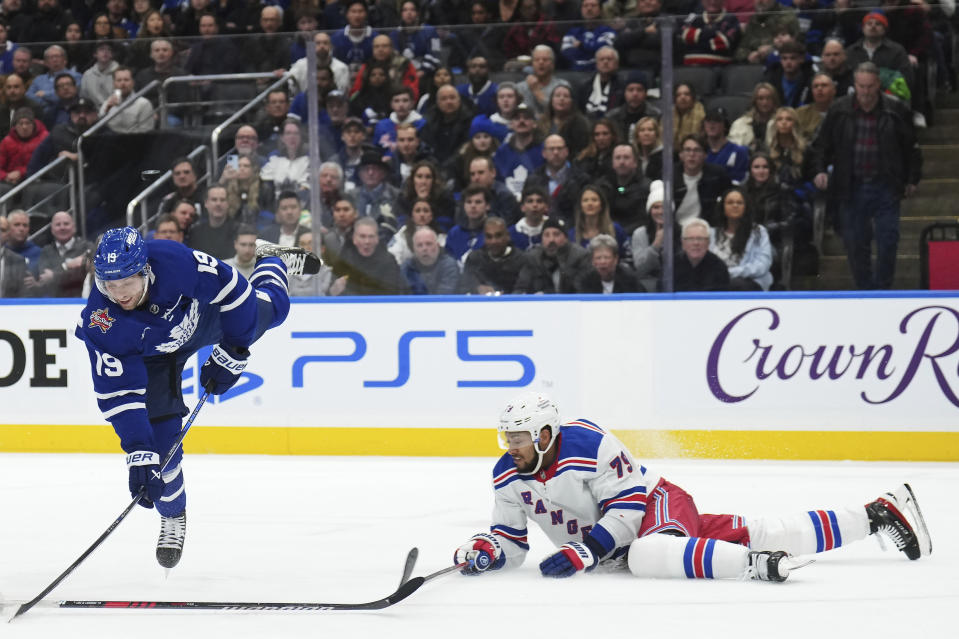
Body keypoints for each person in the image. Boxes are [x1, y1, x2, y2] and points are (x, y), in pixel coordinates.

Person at [453, 391, 931, 582]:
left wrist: (587, 551)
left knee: (645, 555)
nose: (509, 445)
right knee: (758, 529)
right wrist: (486, 549)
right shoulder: (505, 476)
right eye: (507, 437)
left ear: (543, 434)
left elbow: (629, 507)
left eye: (517, 437)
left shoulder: (591, 443)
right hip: (626, 538)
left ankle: (755, 569)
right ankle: (878, 514)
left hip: (658, 503)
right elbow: (513, 543)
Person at [74, 226, 319, 569]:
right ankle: (173, 516)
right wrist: (138, 451)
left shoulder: (176, 263)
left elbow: (234, 292)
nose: (119, 294)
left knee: (273, 310)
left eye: (126, 282)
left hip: (203, 318)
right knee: (161, 452)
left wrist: (235, 348)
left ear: (145, 270)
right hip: (152, 358)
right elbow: (118, 394)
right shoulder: (102, 322)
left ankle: (271, 260)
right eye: (109, 285)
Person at [810, 62, 921, 290]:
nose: (866, 92)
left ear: (878, 84)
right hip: (851, 185)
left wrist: (912, 179)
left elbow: (911, 148)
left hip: (886, 185)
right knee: (854, 243)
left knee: (888, 241)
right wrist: (820, 170)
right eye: (861, 86)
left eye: (870, 86)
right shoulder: (839, 109)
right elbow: (822, 145)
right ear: (854, 85)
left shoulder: (896, 109)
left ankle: (883, 289)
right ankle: (865, 290)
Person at [709, 187, 774, 290]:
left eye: (739, 203)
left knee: (736, 284)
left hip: (750, 281)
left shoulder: (759, 232)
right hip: (718, 282)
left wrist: (730, 273)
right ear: (723, 207)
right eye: (730, 203)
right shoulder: (711, 233)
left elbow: (763, 264)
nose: (735, 206)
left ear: (746, 207)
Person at [329, 216, 409, 295]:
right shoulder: (343, 260)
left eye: (371, 236)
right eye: (362, 236)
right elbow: (328, 295)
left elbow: (393, 293)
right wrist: (333, 291)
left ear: (377, 239)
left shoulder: (389, 261)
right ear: (354, 239)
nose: (367, 241)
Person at [526, 134, 590, 225]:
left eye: (559, 149)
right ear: (544, 153)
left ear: (567, 152)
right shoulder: (533, 180)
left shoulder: (581, 180)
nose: (556, 152)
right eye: (551, 149)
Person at [631, 180, 680, 292]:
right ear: (649, 210)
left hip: (676, 283)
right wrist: (656, 244)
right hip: (646, 286)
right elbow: (639, 269)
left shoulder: (682, 232)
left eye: (664, 207)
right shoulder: (640, 234)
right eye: (656, 207)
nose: (660, 211)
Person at [459, 216, 528, 295]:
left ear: (508, 236)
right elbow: (464, 287)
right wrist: (477, 288)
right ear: (484, 238)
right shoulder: (474, 259)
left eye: (498, 236)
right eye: (489, 237)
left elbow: (522, 290)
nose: (493, 241)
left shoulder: (522, 259)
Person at [674, 134, 732, 226]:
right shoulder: (670, 176)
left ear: (705, 155)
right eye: (687, 150)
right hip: (675, 230)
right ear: (681, 155)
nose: (692, 154)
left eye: (697, 150)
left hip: (706, 229)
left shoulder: (717, 175)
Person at [35, 211, 92, 297]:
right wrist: (68, 266)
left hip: (80, 302)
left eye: (66, 224)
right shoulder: (46, 251)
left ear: (74, 228)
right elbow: (45, 279)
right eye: (58, 224)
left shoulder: (87, 248)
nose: (62, 227)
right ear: (52, 230)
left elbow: (82, 276)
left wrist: (54, 274)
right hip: (53, 304)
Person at [0, 107, 47, 199]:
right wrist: (6, 176)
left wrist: (20, 173)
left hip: (35, 179)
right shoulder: (7, 141)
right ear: (15, 126)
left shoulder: (44, 138)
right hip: (10, 181)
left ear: (33, 124)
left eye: (27, 123)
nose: (24, 127)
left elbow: (44, 163)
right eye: (20, 123)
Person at [260, 119, 310, 204]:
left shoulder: (309, 159)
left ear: (301, 137)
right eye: (288, 133)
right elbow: (266, 183)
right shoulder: (274, 158)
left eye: (296, 133)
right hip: (278, 208)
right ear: (282, 137)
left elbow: (307, 188)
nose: (292, 137)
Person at [672, 217, 730, 291]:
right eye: (690, 239)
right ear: (683, 242)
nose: (696, 243)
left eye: (700, 238)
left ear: (708, 242)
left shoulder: (719, 267)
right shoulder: (671, 265)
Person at [679, 0, 741, 66]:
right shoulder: (693, 17)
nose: (713, 2)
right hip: (689, 67)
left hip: (720, 68)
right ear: (702, 1)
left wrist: (696, 36)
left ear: (723, 1)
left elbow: (723, 43)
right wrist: (713, 33)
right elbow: (682, 35)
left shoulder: (731, 19)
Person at [574, 233, 642, 294]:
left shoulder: (629, 279)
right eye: (598, 258)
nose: (603, 262)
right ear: (592, 261)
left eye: (606, 257)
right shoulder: (585, 280)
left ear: (615, 259)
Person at [401, 226, 460, 295]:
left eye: (429, 244)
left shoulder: (449, 265)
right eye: (419, 245)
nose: (424, 249)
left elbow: (444, 297)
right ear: (413, 249)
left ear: (438, 245)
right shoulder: (407, 267)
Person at [388, 198, 447, 264]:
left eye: (426, 211)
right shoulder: (402, 234)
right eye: (418, 211)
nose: (422, 214)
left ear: (431, 216)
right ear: (412, 216)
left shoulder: (440, 236)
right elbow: (393, 256)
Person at [560, 0, 615, 72]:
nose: (589, 8)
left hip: (599, 72)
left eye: (593, 5)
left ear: (600, 10)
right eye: (585, 6)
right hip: (575, 72)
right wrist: (592, 49)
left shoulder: (607, 31)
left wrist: (581, 46)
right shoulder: (572, 32)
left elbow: (605, 51)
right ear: (581, 10)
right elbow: (566, 52)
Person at [516, 45, 568, 119]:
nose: (541, 62)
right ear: (532, 64)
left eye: (545, 59)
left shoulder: (562, 86)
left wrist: (537, 92)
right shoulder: (519, 88)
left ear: (552, 64)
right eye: (537, 60)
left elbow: (563, 113)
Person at [99, 66, 156, 133]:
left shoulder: (144, 104)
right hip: (110, 139)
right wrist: (107, 110)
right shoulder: (108, 102)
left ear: (132, 83)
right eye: (119, 80)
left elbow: (146, 131)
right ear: (114, 84)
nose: (122, 83)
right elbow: (98, 127)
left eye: (126, 80)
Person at [186, 186, 237, 260]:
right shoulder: (195, 232)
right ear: (206, 203)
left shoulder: (239, 231)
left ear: (228, 204)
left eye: (222, 200)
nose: (218, 204)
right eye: (214, 199)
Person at [703, 107, 749, 185]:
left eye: (717, 121)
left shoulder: (739, 152)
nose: (712, 124)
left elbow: (738, 181)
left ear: (725, 125)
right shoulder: (698, 151)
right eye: (708, 121)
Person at [729, 83, 780, 152]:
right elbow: (733, 150)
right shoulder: (740, 123)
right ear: (755, 101)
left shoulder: (782, 122)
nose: (765, 102)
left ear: (774, 101)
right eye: (760, 99)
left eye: (768, 98)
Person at [509, 184, 549, 251]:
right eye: (530, 201)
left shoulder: (554, 230)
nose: (535, 205)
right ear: (522, 207)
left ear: (546, 207)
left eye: (539, 201)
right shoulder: (512, 233)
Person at [671, 83, 704, 149]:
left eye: (687, 94)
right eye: (678, 95)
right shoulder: (669, 113)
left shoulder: (700, 114)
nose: (682, 97)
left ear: (693, 97)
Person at [633, 116, 663, 181]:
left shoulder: (664, 158)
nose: (646, 133)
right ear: (637, 136)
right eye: (642, 130)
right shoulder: (633, 158)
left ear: (656, 134)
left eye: (650, 130)